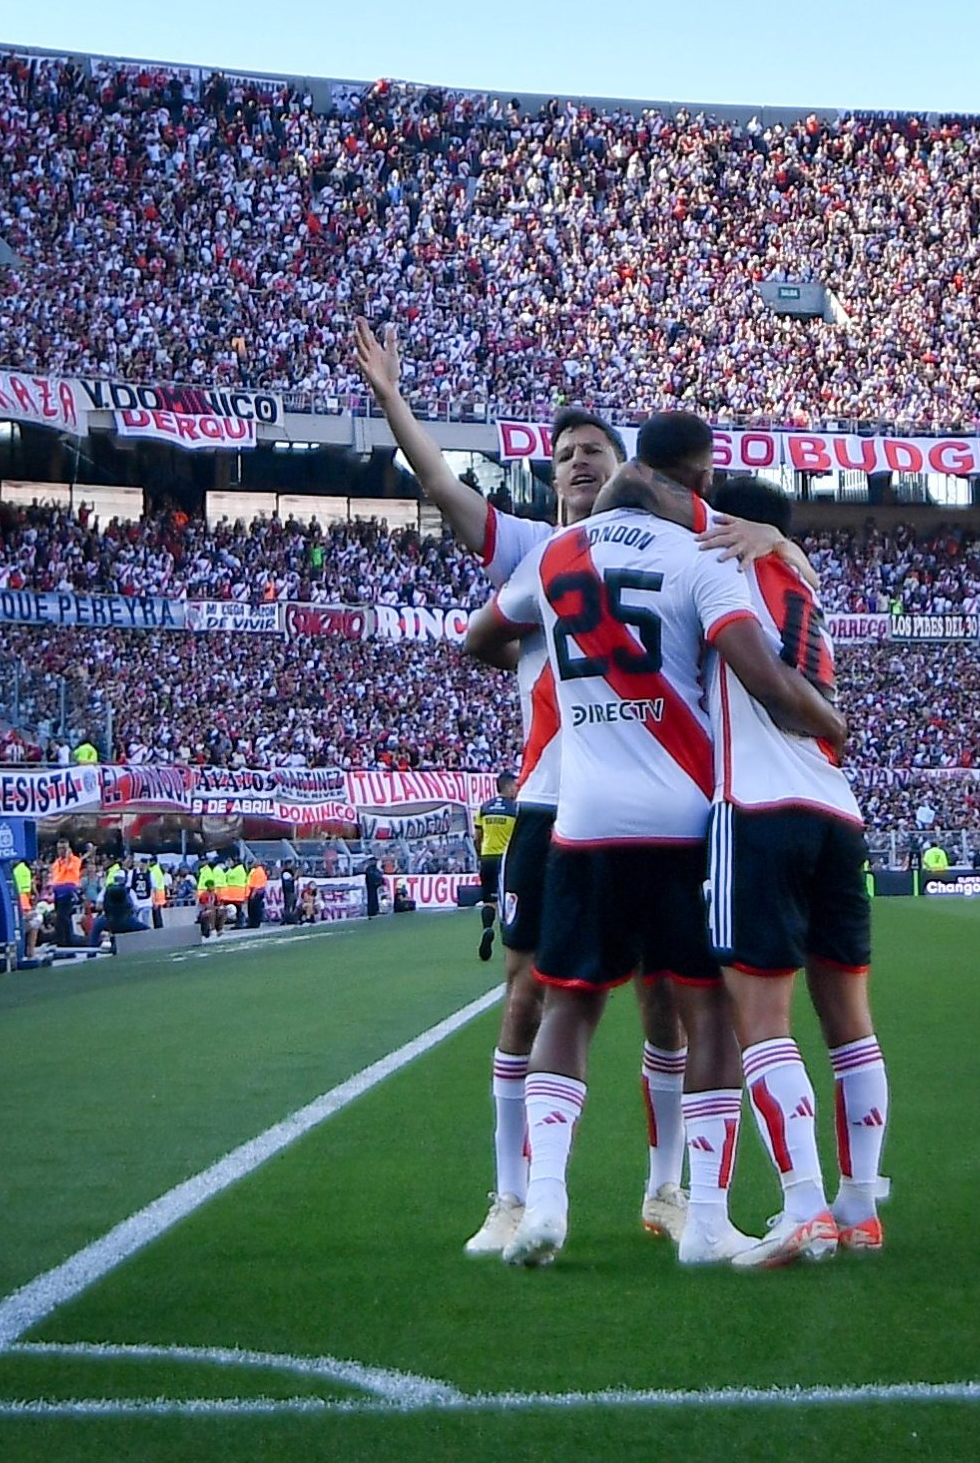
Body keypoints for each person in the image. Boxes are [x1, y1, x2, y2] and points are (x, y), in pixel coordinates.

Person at [356, 328, 780, 1260]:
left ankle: (664, 1190)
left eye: (593, 453)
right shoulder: (535, 551)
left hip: (607, 805)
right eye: (563, 457)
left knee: (663, 1000)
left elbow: (749, 538)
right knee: (532, 994)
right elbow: (442, 491)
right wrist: (393, 401)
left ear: (625, 470)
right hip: (551, 800)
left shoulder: (643, 543)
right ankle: (514, 1197)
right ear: (549, 479)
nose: (577, 465)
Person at [467, 411, 849, 1270]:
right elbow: (766, 679)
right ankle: (705, 1221)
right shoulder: (699, 559)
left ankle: (547, 1204)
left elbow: (478, 636)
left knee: (568, 1005)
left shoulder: (557, 558)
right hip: (684, 821)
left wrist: (567, 677)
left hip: (584, 818)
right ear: (689, 491)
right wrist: (833, 722)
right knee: (703, 1008)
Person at [691, 476, 893, 1264]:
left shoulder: (725, 567)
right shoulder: (804, 585)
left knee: (762, 1021)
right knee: (851, 1023)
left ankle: (804, 1205)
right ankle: (861, 1208)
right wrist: (779, 540)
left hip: (761, 804)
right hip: (837, 810)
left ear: (733, 523)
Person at [475, 773, 519, 964]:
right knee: (509, 900)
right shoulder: (515, 809)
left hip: (487, 857)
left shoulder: (484, 807)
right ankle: (508, 942)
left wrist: (480, 855)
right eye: (515, 786)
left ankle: (487, 928)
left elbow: (477, 836)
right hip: (506, 859)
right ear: (508, 787)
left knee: (489, 901)